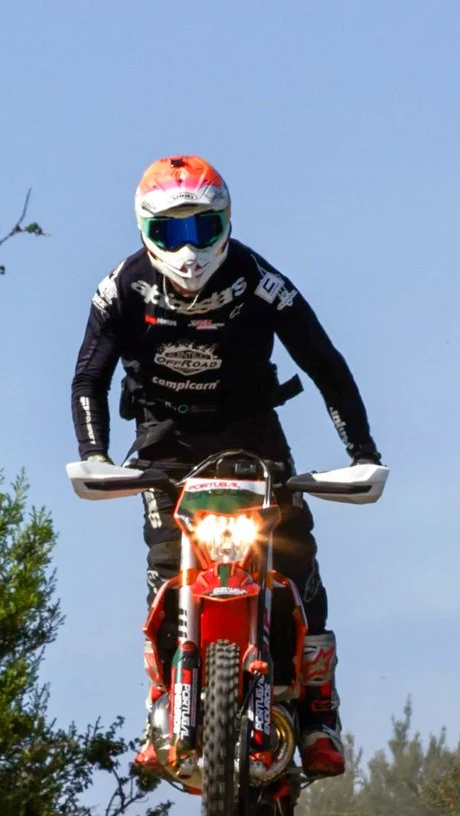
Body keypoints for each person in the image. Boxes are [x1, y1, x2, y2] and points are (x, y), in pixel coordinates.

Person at [71, 155, 383, 779]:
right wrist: (96, 456)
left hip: (253, 439)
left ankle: (319, 710)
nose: (188, 250)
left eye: (203, 230)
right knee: (166, 566)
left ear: (227, 223)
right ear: (143, 232)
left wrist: (362, 453)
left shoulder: (263, 282)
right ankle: (161, 702)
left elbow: (326, 363)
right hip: (163, 446)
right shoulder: (120, 289)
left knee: (295, 560)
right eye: (170, 233)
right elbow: (89, 377)